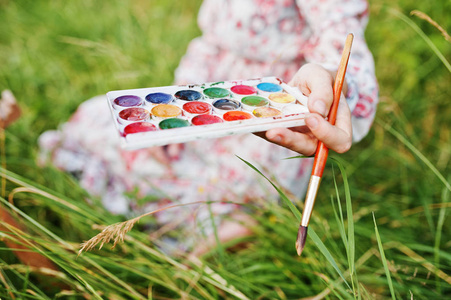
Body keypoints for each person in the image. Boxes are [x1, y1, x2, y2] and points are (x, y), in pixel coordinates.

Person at [38, 0, 378, 255]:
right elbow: (209, 41)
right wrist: (171, 110)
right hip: (208, 96)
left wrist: (333, 81)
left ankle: (240, 220)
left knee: (242, 183)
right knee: (100, 119)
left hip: (271, 102)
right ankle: (207, 214)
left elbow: (340, 33)